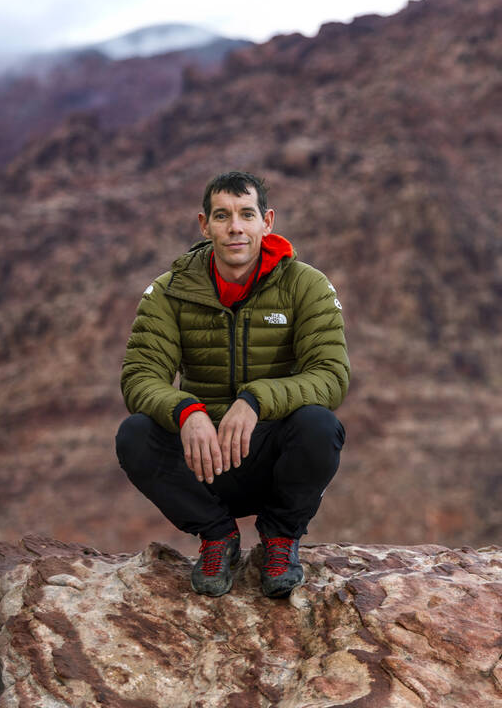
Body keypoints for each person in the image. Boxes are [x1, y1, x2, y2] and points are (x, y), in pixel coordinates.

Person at [115, 171, 349, 598]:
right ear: (204, 225)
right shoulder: (170, 292)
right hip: (202, 459)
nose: (235, 227)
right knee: (135, 435)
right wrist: (185, 410)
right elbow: (140, 376)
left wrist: (258, 399)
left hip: (271, 458)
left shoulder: (305, 286)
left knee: (319, 425)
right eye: (222, 216)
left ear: (267, 221)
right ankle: (217, 536)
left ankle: (280, 540)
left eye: (246, 214)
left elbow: (330, 376)